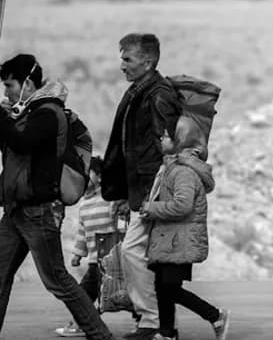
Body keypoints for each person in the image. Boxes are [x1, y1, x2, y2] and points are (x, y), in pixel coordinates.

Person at [0, 54, 114, 340]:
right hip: (16, 210)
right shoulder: (25, 112)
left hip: (40, 211)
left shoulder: (49, 113)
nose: (7, 92)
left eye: (10, 85)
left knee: (57, 281)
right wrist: (3, 117)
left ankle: (101, 336)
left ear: (27, 83)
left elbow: (23, 143)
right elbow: (8, 148)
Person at [101, 33, 182, 339]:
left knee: (134, 252)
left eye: (127, 59)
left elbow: (167, 148)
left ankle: (152, 321)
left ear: (147, 62)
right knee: (142, 255)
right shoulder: (138, 91)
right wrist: (124, 192)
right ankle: (152, 321)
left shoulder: (158, 95)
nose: (121, 65)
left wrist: (153, 196)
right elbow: (127, 148)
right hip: (140, 191)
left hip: (153, 191)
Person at [140, 116, 230, 340]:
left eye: (168, 135)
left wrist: (152, 208)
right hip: (170, 238)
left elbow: (183, 205)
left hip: (179, 239)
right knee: (163, 288)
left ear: (181, 139)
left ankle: (215, 315)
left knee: (169, 288)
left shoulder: (183, 172)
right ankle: (167, 332)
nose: (162, 138)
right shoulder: (173, 167)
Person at [56, 156, 124, 338]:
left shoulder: (110, 199)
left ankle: (146, 322)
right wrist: (78, 254)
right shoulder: (84, 204)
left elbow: (121, 225)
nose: (83, 178)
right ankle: (80, 323)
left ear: (100, 177)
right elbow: (82, 233)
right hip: (95, 261)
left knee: (121, 295)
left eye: (88, 174)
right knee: (84, 294)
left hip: (113, 259)